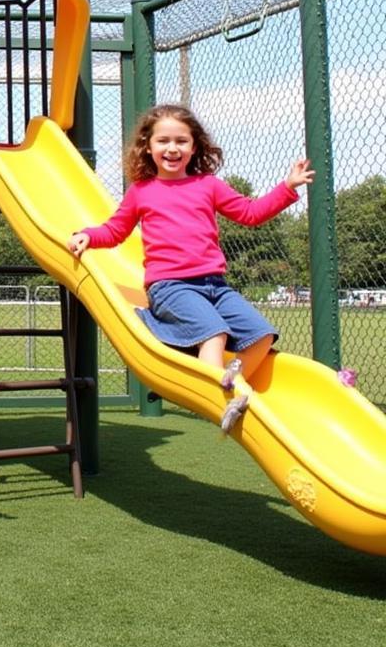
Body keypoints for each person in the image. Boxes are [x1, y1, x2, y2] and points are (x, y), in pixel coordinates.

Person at [67, 103, 314, 434]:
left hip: (215, 285)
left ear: (194, 146)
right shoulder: (142, 192)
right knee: (214, 332)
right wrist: (87, 235)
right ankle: (214, 400)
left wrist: (288, 187)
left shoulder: (208, 185)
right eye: (164, 141)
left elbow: (250, 213)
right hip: (170, 286)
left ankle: (232, 383)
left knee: (262, 335)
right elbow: (115, 230)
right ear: (148, 146)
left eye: (181, 141)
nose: (172, 149)